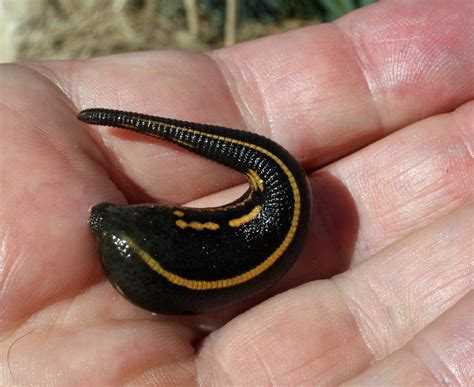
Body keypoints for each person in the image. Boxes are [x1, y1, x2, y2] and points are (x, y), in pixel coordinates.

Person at [1, 1, 472, 384]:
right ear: (176, 219)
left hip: (257, 221)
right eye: (141, 212)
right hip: (270, 213)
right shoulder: (216, 236)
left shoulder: (185, 250)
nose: (99, 214)